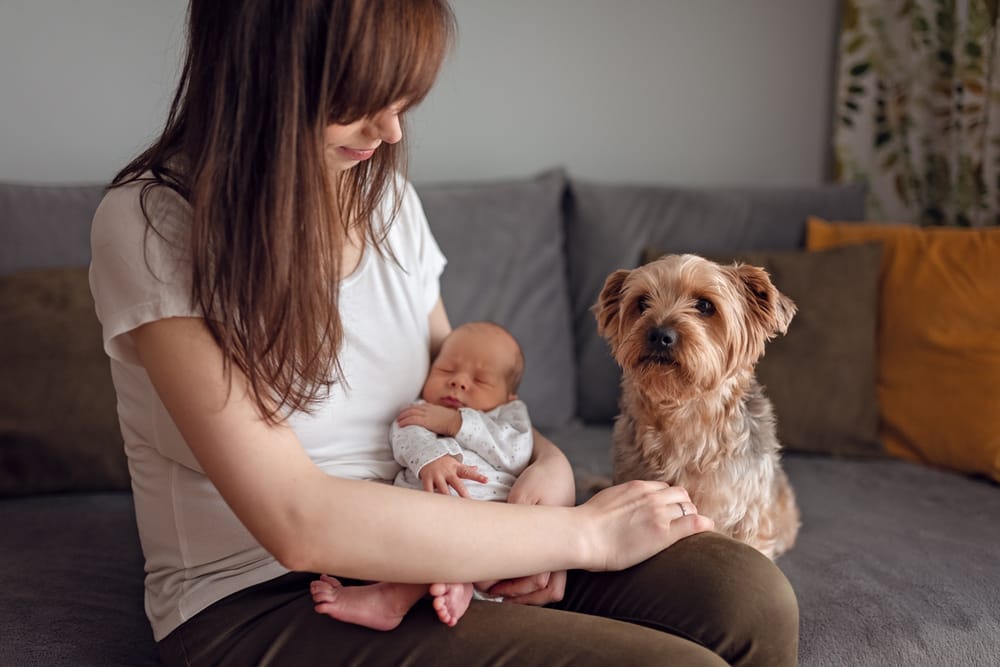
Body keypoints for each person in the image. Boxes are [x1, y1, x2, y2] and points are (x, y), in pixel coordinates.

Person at [88, 1, 799, 664]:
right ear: (266, 74)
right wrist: (583, 532)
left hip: (449, 523)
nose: (391, 130)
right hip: (267, 591)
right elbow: (297, 518)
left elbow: (472, 392)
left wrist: (546, 473)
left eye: (401, 100)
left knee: (749, 597)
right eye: (362, 97)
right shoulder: (154, 223)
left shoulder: (384, 198)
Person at [312, 321, 534, 629]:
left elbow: (516, 451)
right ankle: (456, 586)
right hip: (421, 524)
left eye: (480, 380)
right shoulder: (421, 409)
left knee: (462, 544)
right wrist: (432, 457)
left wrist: (456, 422)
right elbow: (405, 434)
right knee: (409, 539)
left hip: (487, 521)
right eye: (446, 371)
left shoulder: (509, 416)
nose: (458, 382)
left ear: (510, 396)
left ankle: (392, 601)